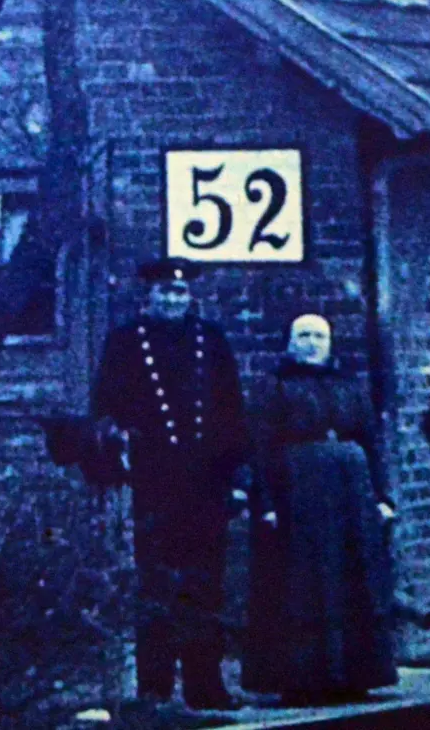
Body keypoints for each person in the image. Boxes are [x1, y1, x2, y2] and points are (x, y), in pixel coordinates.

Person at [90, 257, 248, 710]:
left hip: (205, 481)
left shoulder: (211, 342)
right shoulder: (125, 342)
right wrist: (119, 444)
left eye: (180, 293)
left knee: (205, 583)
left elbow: (232, 410)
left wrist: (237, 473)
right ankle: (155, 687)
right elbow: (106, 404)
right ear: (150, 296)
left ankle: (206, 683)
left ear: (190, 297)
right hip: (154, 480)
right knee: (154, 583)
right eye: (164, 292)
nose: (173, 299)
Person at [242, 314, 398, 705]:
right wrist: (266, 503)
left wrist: (382, 497)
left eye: (319, 336)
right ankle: (303, 679)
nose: (312, 342)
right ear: (290, 342)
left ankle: (355, 674)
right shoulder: (274, 387)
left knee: (352, 574)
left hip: (351, 491)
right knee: (304, 582)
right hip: (299, 492)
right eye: (304, 335)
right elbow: (258, 448)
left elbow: (372, 441)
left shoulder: (349, 385)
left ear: (330, 343)